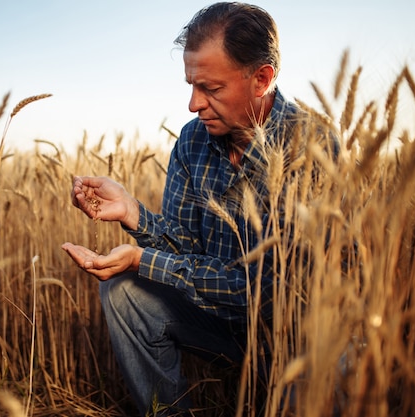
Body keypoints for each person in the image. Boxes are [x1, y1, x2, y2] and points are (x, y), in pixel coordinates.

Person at [62, 2, 339, 415]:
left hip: (298, 335)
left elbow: (268, 289)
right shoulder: (192, 142)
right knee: (122, 293)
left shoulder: (311, 146)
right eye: (191, 85)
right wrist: (133, 214)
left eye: (210, 88)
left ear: (262, 78)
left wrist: (142, 260)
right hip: (223, 326)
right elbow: (185, 248)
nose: (193, 104)